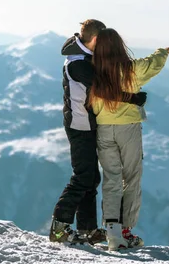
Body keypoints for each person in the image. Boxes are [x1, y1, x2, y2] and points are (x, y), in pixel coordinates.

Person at [50, 20, 146, 244]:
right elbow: (102, 89)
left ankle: (87, 230)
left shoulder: (84, 58)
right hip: (79, 127)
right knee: (83, 176)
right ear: (95, 40)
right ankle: (59, 227)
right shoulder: (77, 64)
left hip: (87, 125)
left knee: (91, 178)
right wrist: (132, 99)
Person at [89, 28, 169, 250]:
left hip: (102, 128)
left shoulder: (92, 70)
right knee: (131, 177)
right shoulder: (131, 70)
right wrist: (164, 51)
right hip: (128, 129)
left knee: (111, 178)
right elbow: (152, 64)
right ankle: (126, 231)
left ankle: (112, 232)